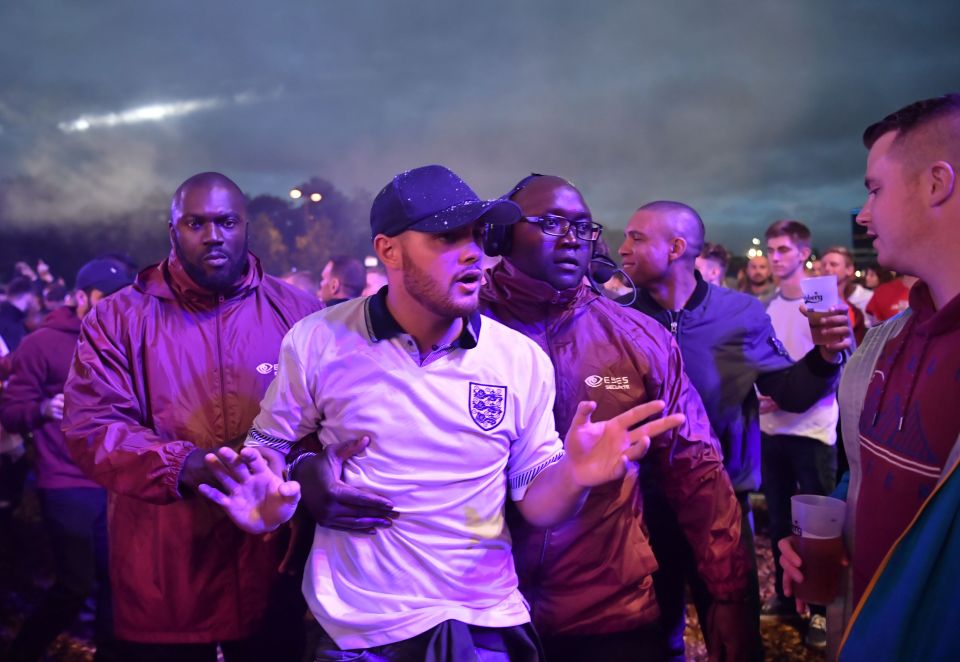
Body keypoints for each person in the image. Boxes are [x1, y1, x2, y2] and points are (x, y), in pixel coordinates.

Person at [200, 165, 685, 661]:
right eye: (447, 237)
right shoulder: (318, 340)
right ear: (389, 250)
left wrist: (576, 476)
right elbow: (272, 446)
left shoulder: (518, 359)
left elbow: (537, 503)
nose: (473, 251)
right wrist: (271, 500)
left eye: (476, 235)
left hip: (484, 621)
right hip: (358, 630)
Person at [478, 175, 751, 661]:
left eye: (582, 228)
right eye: (549, 223)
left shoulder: (638, 337)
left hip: (610, 609)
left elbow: (698, 472)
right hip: (482, 607)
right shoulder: (460, 328)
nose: (570, 238)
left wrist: (729, 594)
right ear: (500, 236)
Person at [61, 172, 321, 661]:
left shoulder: (301, 312)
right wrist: (186, 465)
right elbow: (92, 426)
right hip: (164, 580)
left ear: (246, 226)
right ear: (173, 230)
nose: (213, 234)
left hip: (272, 572)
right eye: (195, 223)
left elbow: (327, 422)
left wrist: (304, 467)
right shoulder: (118, 318)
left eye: (226, 221)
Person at [618, 202, 850, 659]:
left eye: (637, 238)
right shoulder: (617, 314)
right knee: (654, 637)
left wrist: (824, 357)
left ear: (677, 248)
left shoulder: (738, 312)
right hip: (641, 506)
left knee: (736, 640)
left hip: (721, 504)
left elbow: (790, 390)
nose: (623, 248)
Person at [780, 93, 960, 660]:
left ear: (936, 183)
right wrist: (837, 535)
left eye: (875, 189)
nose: (862, 213)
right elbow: (870, 478)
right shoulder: (881, 346)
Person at [0, 258, 132, 661]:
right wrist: (42, 407)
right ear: (79, 297)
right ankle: (23, 652)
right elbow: (11, 410)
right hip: (64, 480)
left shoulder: (127, 339)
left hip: (113, 482)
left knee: (116, 582)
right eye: (106, 298)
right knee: (75, 585)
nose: (116, 305)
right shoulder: (43, 342)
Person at [760, 219, 842, 648]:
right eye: (771, 250)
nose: (775, 257)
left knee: (819, 527)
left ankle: (824, 611)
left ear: (803, 253)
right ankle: (786, 597)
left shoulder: (820, 297)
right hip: (772, 428)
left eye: (784, 250)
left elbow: (833, 363)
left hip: (811, 430)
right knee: (777, 519)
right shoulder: (768, 305)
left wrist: (789, 397)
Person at [820, 246, 873, 342]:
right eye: (823, 265)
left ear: (849, 269)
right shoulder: (813, 305)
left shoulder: (858, 310)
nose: (827, 268)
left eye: (833, 264)